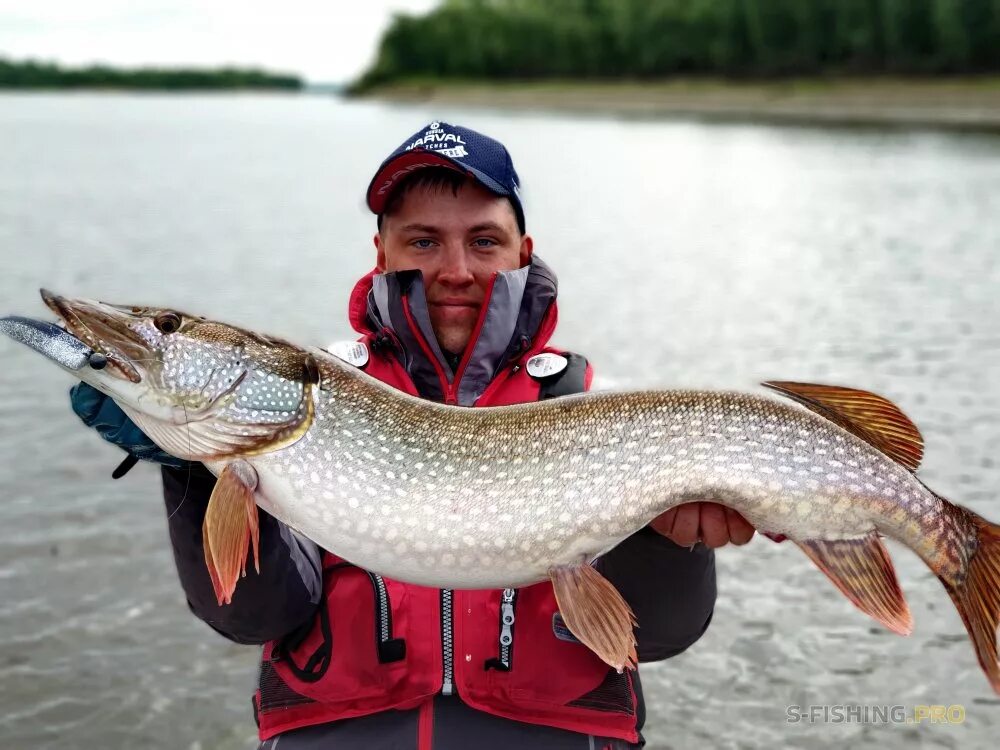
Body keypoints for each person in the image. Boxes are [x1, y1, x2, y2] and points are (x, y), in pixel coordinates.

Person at [71, 122, 755, 749]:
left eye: (483, 240)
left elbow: (659, 635)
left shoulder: (592, 406)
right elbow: (252, 616)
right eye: (423, 241)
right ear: (381, 252)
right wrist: (191, 468)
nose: (455, 270)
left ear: (524, 251)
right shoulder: (319, 404)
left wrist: (671, 546)